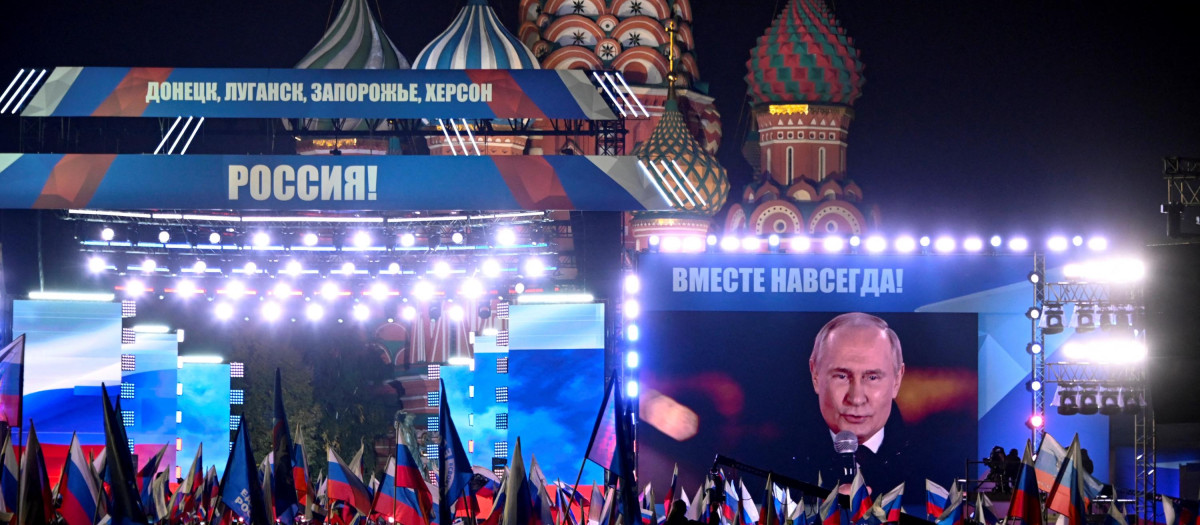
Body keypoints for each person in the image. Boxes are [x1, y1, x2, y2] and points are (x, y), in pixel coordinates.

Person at [795, 312, 910, 495]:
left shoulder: (935, 470)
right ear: (815, 375)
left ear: (897, 380)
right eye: (841, 376)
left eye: (872, 377)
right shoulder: (776, 464)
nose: (856, 398)